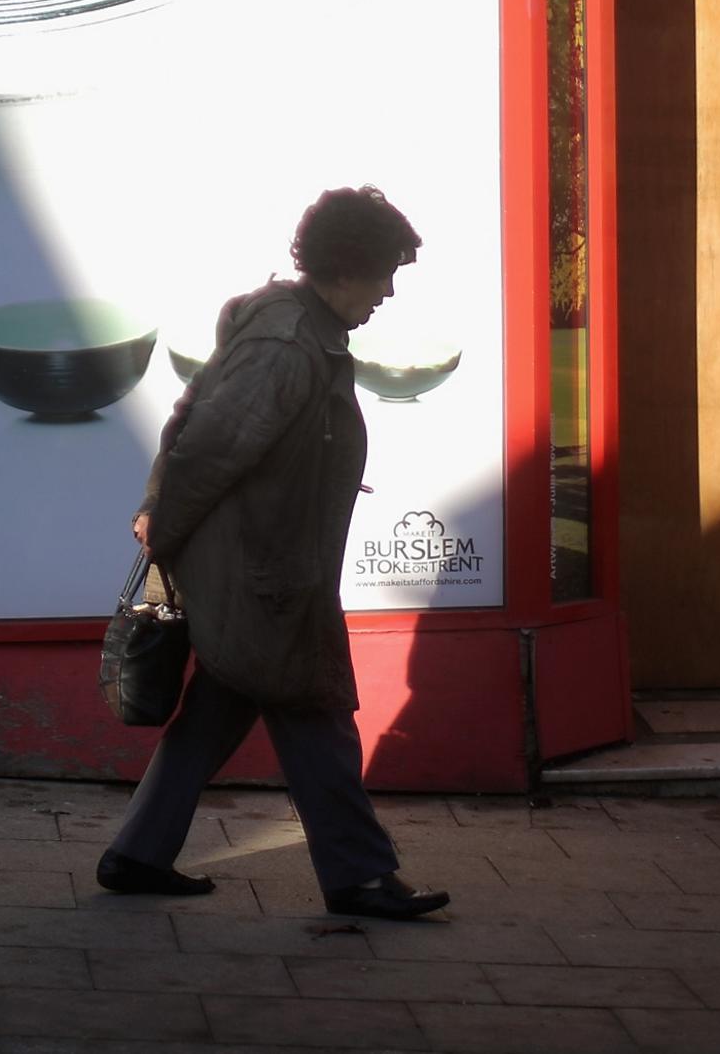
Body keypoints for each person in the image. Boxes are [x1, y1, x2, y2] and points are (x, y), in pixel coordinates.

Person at [98, 185, 449, 920]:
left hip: (269, 565)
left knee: (219, 708)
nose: (388, 290)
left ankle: (137, 855)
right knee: (313, 705)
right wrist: (161, 525)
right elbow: (209, 444)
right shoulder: (288, 345)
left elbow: (192, 417)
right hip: (265, 574)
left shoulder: (300, 329)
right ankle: (359, 876)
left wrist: (162, 513)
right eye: (385, 272)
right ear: (347, 267)